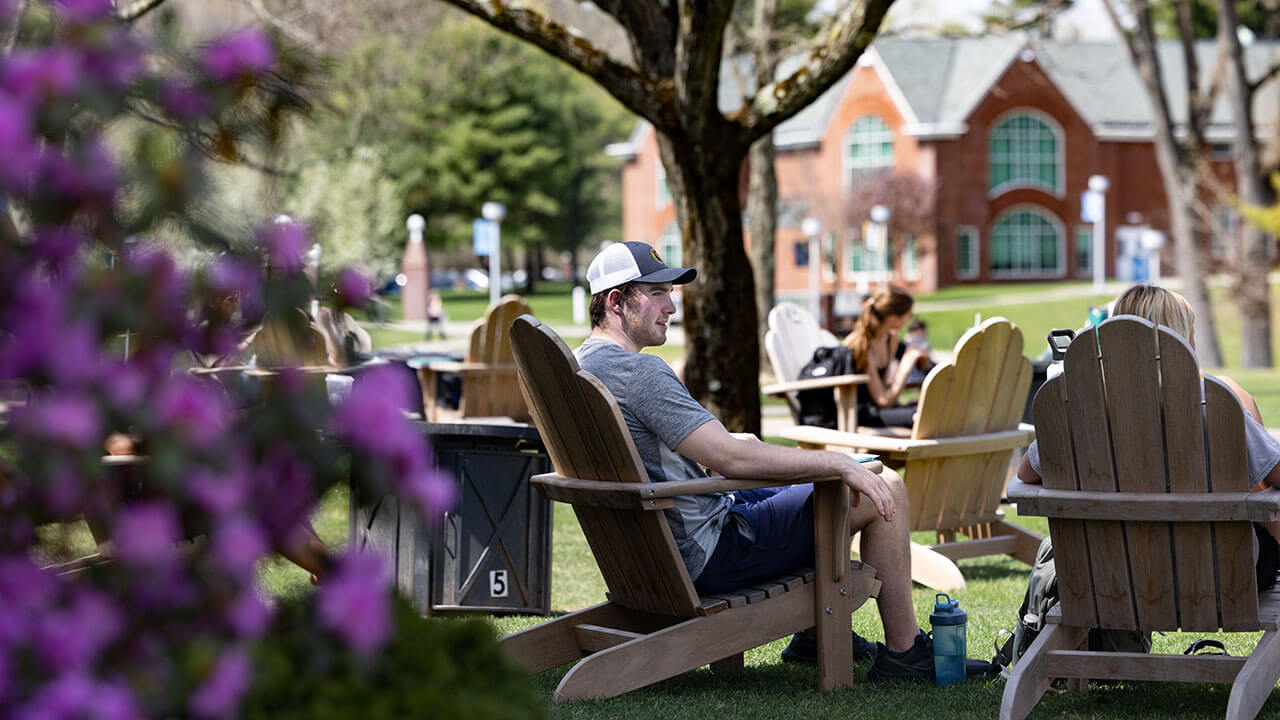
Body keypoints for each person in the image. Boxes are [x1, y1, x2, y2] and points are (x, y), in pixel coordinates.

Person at [576, 241, 991, 681]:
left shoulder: (583, 369)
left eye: (670, 294)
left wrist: (733, 443)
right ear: (618, 301)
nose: (671, 307)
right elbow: (731, 459)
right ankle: (905, 654)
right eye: (657, 293)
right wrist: (837, 463)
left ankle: (814, 638)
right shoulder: (640, 372)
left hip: (653, 554)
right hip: (712, 552)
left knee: (823, 485)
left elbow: (668, 445)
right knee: (882, 482)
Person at [1017, 284, 1280, 589]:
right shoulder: (1214, 405)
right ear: (1184, 341)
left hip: (1114, 574)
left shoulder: (1082, 408)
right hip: (1219, 574)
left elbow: (1025, 473)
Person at [841, 286, 928, 428]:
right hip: (862, 415)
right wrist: (905, 366)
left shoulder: (890, 339)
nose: (909, 320)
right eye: (908, 315)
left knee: (928, 408)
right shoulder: (860, 345)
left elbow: (885, 392)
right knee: (921, 416)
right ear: (893, 318)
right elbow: (882, 401)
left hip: (880, 410)